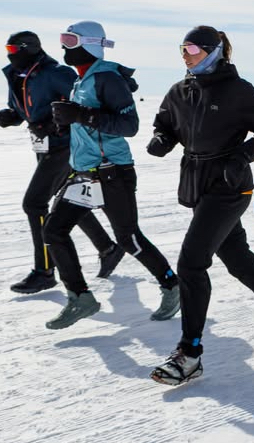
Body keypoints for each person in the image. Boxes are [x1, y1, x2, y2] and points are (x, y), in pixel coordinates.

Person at [145, 26, 254, 385]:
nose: (185, 54)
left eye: (192, 48)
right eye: (182, 48)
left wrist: (243, 156)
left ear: (214, 51)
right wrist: (161, 139)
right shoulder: (180, 90)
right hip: (198, 185)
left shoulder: (238, 90)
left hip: (230, 187)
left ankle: (190, 354)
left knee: (191, 264)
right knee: (236, 258)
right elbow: (165, 123)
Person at [43, 21, 180, 330]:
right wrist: (67, 121)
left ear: (90, 43)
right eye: (63, 39)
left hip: (111, 174)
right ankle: (80, 297)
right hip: (84, 173)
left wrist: (81, 115)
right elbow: (92, 124)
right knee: (53, 230)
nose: (64, 46)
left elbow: (128, 126)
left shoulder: (106, 78)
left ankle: (172, 284)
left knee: (129, 238)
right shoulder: (83, 80)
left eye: (70, 39)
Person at [0, 31, 121, 294]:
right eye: (7, 48)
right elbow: (25, 109)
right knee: (66, 200)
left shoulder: (55, 72)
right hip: (44, 148)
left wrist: (53, 124)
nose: (10, 53)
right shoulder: (17, 74)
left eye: (13, 48)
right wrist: (11, 116)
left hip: (65, 146)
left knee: (34, 204)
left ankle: (45, 271)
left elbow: (81, 101)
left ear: (28, 48)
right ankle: (107, 248)